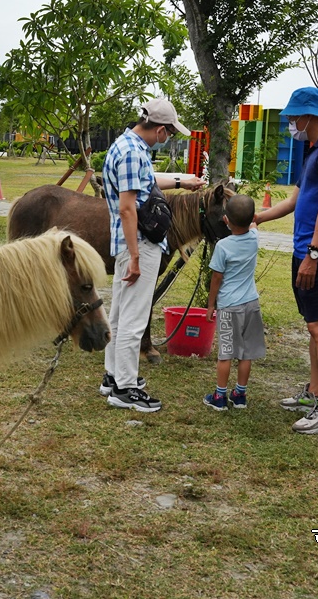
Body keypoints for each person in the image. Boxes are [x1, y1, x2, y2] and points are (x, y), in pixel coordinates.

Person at [255, 86, 318, 434]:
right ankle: (314, 394)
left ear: (308, 116)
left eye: (293, 117)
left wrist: (314, 254)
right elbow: (296, 200)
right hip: (306, 252)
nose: (291, 124)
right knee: (313, 324)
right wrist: (258, 217)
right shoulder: (313, 150)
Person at [101, 98, 206, 412]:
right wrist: (135, 257)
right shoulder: (134, 152)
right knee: (133, 320)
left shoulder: (125, 146)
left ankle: (113, 376)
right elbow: (127, 206)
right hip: (140, 244)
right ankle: (126, 388)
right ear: (160, 130)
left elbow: (142, 182)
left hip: (125, 242)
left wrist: (181, 181)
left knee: (119, 316)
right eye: (170, 133)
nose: (169, 138)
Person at [203, 194, 265, 411]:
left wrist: (211, 305)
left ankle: (219, 397)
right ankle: (240, 394)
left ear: (226, 220)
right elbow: (255, 223)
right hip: (251, 304)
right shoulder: (254, 237)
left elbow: (216, 278)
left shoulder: (222, 246)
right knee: (246, 353)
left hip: (229, 307)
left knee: (226, 353)